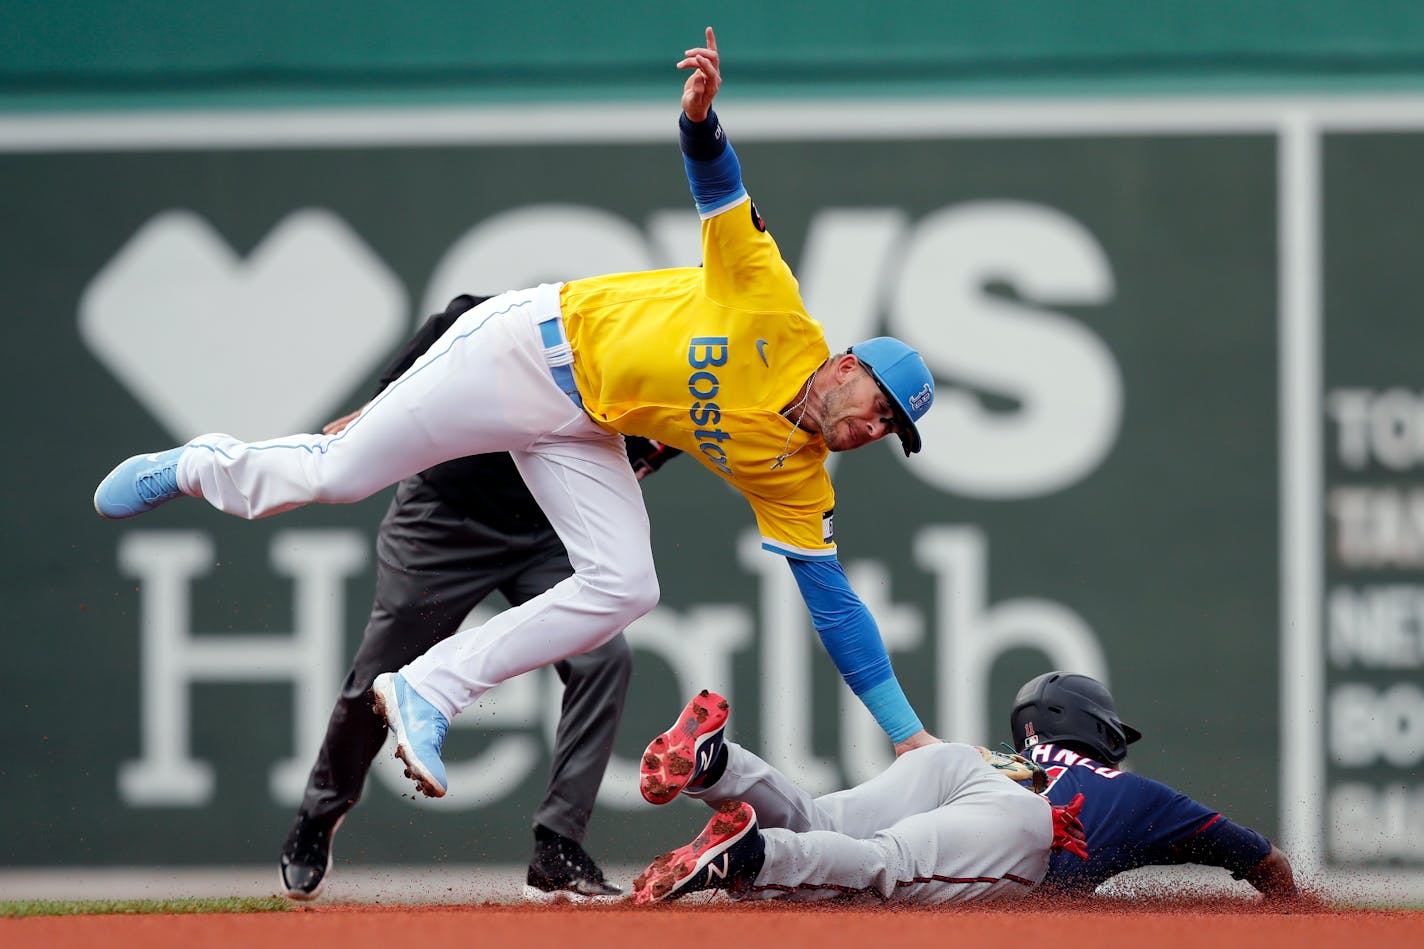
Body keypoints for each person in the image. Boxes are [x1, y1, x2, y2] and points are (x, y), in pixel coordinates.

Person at [92, 26, 942, 801]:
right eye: (880, 406)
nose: (874, 429)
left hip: (579, 429)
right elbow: (720, 189)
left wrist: (907, 737)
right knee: (337, 475)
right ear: (845, 365)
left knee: (626, 583)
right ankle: (203, 464)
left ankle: (427, 690)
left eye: (890, 432)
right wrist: (700, 118)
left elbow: (834, 605)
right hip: (526, 351)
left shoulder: (796, 475)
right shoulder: (774, 311)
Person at [279, 294, 682, 903]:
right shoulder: (547, 329)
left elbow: (659, 445)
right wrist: (380, 405)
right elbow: (459, 315)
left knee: (605, 659)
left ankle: (558, 847)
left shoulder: (677, 385)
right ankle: (320, 811)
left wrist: (641, 458)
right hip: (445, 520)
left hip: (545, 535)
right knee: (382, 675)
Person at [629, 690, 1087, 905]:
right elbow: (1161, 826)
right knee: (886, 864)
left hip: (952, 757)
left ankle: (721, 766)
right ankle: (752, 857)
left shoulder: (1024, 754)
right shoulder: (1110, 781)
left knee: (825, 822)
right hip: (1023, 817)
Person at [1008, 671, 1297, 899]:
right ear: (1099, 732)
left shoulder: (985, 770)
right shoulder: (1128, 792)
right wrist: (1283, 907)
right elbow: (1269, 862)